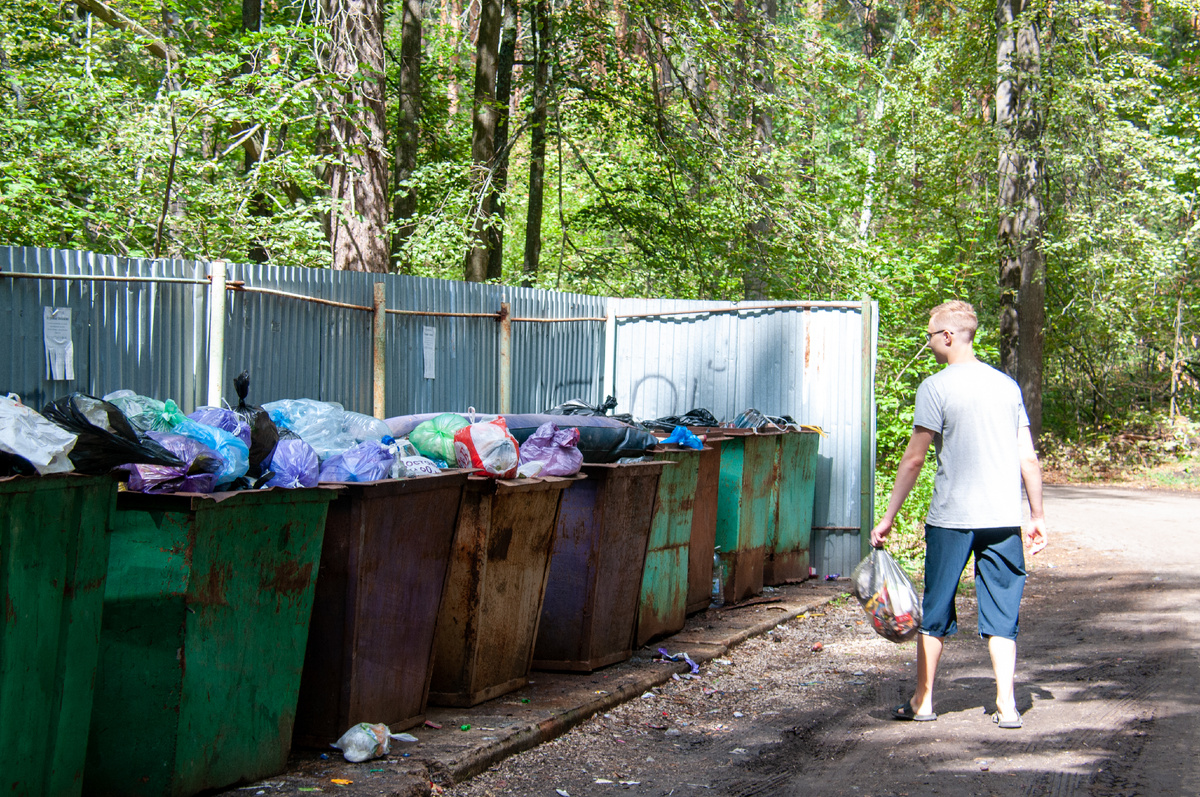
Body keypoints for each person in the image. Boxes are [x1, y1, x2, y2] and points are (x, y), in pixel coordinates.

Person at [870, 300, 1048, 729]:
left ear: (947, 336)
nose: (930, 343)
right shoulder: (1007, 386)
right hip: (1003, 520)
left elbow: (914, 459)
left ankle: (923, 701)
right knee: (1003, 612)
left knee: (935, 611)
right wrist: (1037, 514)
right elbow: (1028, 458)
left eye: (931, 336)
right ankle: (1007, 705)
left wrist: (889, 515)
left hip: (952, 519)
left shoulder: (936, 386)